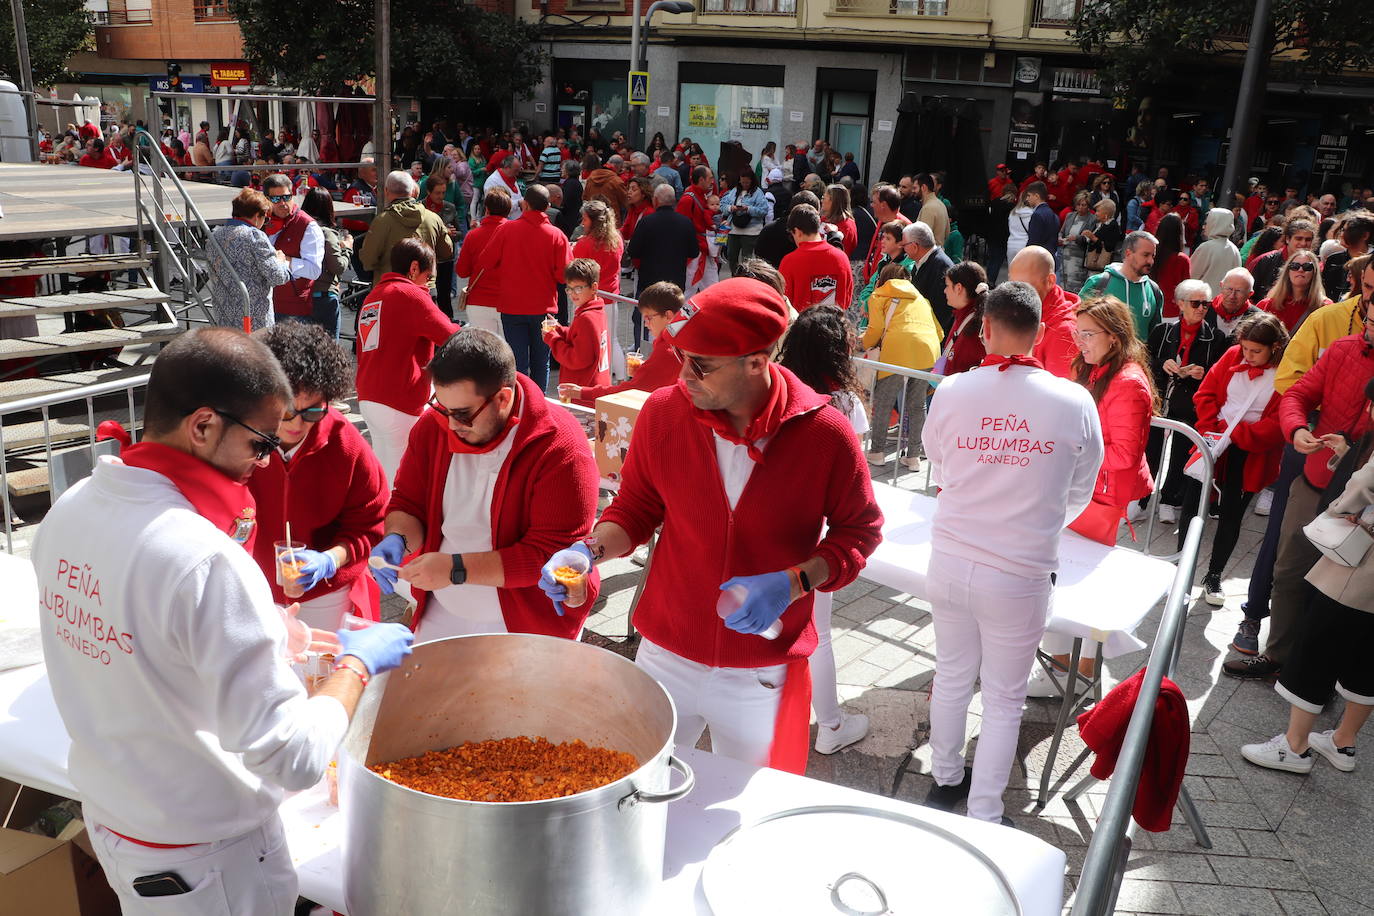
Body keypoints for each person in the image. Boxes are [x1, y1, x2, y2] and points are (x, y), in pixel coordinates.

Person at [35, 328, 413, 915]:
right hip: (207, 858)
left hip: (122, 820)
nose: (263, 462)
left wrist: (263, 625)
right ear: (204, 425)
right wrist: (357, 663)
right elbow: (292, 757)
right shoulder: (206, 558)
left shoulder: (73, 506)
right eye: (260, 444)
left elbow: (145, 645)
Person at [538, 278, 883, 771]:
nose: (683, 375)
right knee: (644, 794)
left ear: (758, 362)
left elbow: (860, 533)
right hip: (664, 654)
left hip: (760, 671)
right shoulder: (663, 413)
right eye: (681, 356)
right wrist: (586, 551)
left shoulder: (826, 433)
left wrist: (794, 582)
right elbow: (635, 509)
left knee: (750, 817)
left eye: (700, 364)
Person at [920, 281, 1104, 824]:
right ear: (1042, 334)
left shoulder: (953, 391)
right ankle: (983, 811)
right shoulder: (1074, 399)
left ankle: (946, 780)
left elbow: (941, 464)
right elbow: (1081, 488)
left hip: (952, 558)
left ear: (984, 330)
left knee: (953, 676)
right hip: (1020, 569)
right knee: (1002, 698)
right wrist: (1035, 517)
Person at [373, 329, 601, 642]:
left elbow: (548, 554)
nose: (451, 425)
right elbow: (408, 501)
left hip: (527, 623)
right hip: (443, 609)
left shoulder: (561, 447)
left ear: (503, 398)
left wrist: (456, 569)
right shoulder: (434, 426)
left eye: (463, 414)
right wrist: (398, 537)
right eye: (442, 408)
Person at [1223, 295, 1374, 681]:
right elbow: (1297, 394)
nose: (1368, 328)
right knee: (1289, 568)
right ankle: (1278, 657)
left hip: (1365, 494)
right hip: (1316, 479)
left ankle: (1317, 677)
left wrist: (1358, 454)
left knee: (1342, 590)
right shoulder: (1342, 349)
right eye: (1368, 319)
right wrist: (1297, 427)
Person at [1239, 395, 1374, 775]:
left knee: (1316, 648)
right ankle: (1343, 742)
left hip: (1361, 566)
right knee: (1367, 657)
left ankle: (1295, 748)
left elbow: (1365, 482)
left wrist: (1337, 509)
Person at [775, 304, 872, 753]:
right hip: (818, 538)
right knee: (818, 632)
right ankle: (830, 726)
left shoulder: (772, 388)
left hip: (773, 524)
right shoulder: (845, 404)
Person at [247, 322, 388, 628]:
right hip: (251, 587)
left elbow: (370, 524)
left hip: (325, 594)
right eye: (285, 412)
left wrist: (329, 561)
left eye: (312, 411)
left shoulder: (345, 443)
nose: (296, 425)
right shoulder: (239, 435)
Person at [1176, 313, 1290, 605]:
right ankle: (1180, 568)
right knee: (1192, 503)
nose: (1248, 356)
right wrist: (1213, 429)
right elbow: (1206, 394)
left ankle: (1214, 575)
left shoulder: (1287, 371)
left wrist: (1241, 434)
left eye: (1256, 351)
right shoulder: (1232, 355)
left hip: (1251, 451)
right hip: (1214, 441)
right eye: (1245, 349)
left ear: (1275, 347)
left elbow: (1280, 421)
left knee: (1231, 514)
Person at [355, 239, 460, 484]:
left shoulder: (374, 296)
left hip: (370, 395)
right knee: (403, 482)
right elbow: (452, 336)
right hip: (399, 399)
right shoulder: (410, 294)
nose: (428, 283)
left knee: (385, 476)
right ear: (414, 268)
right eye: (428, 276)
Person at [1062, 295, 1156, 548]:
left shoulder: (1128, 383)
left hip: (1105, 492)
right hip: (1089, 484)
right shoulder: (1092, 365)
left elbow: (1125, 454)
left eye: (1088, 335)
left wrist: (1072, 456)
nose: (1079, 342)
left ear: (1114, 336)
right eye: (1077, 333)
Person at [1144, 279, 1231, 524]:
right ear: (1181, 304)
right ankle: (1140, 498)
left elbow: (1219, 371)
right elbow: (1145, 361)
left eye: (1206, 303)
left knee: (1182, 452)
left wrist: (1204, 373)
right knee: (1151, 450)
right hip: (1161, 400)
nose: (1202, 308)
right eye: (1196, 303)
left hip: (1190, 406)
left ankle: (1168, 500)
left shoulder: (1216, 337)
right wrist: (1162, 364)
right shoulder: (1162, 331)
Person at [476, 183, 572, 391]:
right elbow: (564, 276)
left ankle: (520, 406)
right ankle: (540, 406)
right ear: (547, 207)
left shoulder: (506, 229)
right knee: (541, 362)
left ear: (525, 204)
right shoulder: (557, 235)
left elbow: (485, 262)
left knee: (517, 364)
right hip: (544, 308)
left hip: (512, 307)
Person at [862, 262, 942, 470]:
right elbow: (939, 332)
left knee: (885, 400)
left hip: (897, 351)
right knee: (918, 404)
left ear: (883, 279)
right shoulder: (922, 300)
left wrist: (862, 343)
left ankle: (877, 452)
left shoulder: (879, 296)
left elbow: (875, 330)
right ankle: (913, 456)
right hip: (928, 350)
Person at [563, 282, 687, 404]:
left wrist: (582, 392)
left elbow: (629, 391)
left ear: (668, 316)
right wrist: (645, 368)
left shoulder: (667, 350)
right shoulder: (678, 338)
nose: (645, 324)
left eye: (649, 318)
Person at [209, 188, 292, 332]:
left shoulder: (215, 235)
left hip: (223, 316)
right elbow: (277, 277)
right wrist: (282, 261)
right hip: (253, 320)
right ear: (256, 216)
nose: (264, 222)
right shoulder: (254, 236)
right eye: (265, 218)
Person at [626, 183, 699, 345]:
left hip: (648, 281)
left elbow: (633, 251)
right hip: (675, 282)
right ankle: (673, 350)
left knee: (643, 318)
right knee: (674, 319)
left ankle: (640, 351)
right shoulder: (685, 222)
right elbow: (694, 252)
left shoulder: (647, 222)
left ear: (656, 200)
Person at [359, 170, 454, 283]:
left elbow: (368, 260)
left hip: (391, 288)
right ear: (413, 191)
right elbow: (447, 251)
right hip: (424, 288)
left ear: (386, 191)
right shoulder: (433, 219)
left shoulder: (382, 221)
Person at [258, 174, 325, 328]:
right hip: (264, 303)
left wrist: (285, 260)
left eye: (287, 197)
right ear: (266, 199)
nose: (283, 203)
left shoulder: (307, 225)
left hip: (293, 309)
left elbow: (314, 270)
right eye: (276, 199)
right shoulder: (262, 220)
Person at [548, 259, 611, 407]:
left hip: (581, 392)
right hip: (593, 386)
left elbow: (577, 359)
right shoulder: (596, 311)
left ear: (594, 287)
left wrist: (554, 340)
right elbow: (582, 338)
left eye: (578, 288)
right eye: (569, 288)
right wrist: (560, 330)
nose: (572, 294)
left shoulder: (586, 317)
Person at [1008, 246, 1079, 379]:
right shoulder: (1022, 310)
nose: (1016, 294)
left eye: (1023, 286)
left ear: (1050, 281)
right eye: (1012, 285)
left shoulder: (1064, 332)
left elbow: (1060, 395)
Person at [1080, 230, 1163, 342]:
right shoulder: (1099, 283)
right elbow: (1077, 323)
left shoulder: (1154, 291)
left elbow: (1155, 336)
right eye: (1145, 255)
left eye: (1153, 256)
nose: (1150, 261)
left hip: (1139, 358)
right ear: (1128, 253)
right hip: (1100, 359)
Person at [455, 188, 513, 338]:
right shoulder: (515, 235)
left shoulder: (473, 235)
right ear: (509, 210)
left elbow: (462, 271)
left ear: (486, 209)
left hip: (478, 302)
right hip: (508, 302)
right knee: (508, 353)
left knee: (483, 352)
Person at [297, 188, 351, 340]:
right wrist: (347, 248)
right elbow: (338, 266)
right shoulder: (326, 233)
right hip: (324, 297)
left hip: (300, 296)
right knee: (329, 351)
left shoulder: (298, 229)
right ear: (329, 208)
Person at [779, 204, 854, 311]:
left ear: (798, 232)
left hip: (801, 325)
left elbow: (784, 302)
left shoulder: (789, 261)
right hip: (835, 324)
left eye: (793, 235)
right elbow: (847, 298)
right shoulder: (841, 257)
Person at [1257, 249, 1329, 332]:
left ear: (1314, 272)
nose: (1300, 270)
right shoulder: (1266, 305)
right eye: (1295, 266)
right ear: (1288, 272)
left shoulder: (1325, 308)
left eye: (1307, 267)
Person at [420, 174, 461, 319]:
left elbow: (460, 233)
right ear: (429, 192)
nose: (441, 196)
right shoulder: (420, 208)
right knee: (428, 296)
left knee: (444, 296)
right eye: (438, 193)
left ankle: (448, 325)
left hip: (445, 259)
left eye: (443, 192)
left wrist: (453, 234)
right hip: (426, 258)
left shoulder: (450, 207)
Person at [938, 261, 989, 377]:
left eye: (947, 285)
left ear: (958, 288)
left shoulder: (976, 324)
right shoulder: (966, 315)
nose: (945, 291)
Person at [677, 165, 720, 295]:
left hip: (704, 250)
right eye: (710, 178)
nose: (712, 181)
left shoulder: (702, 196)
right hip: (696, 252)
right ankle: (684, 315)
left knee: (712, 288)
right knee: (690, 289)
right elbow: (682, 228)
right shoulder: (689, 199)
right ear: (701, 180)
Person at [1252, 219, 1317, 301]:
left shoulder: (1316, 265)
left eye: (1308, 240)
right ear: (1287, 239)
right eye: (1298, 239)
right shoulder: (1265, 261)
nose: (1303, 243)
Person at [572, 199, 624, 300]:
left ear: (594, 222)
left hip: (589, 299)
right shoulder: (617, 239)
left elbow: (574, 270)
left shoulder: (584, 244)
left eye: (585, 219)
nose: (582, 223)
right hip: (611, 295)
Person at [719, 169, 770, 273]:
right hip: (733, 229)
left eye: (747, 182)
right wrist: (730, 208)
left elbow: (764, 210)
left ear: (752, 181)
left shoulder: (758, 193)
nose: (744, 184)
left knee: (747, 260)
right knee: (731, 256)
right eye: (742, 182)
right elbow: (722, 205)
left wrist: (748, 209)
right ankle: (735, 276)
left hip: (751, 231)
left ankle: (745, 279)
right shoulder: (734, 191)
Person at [862, 185, 910, 284]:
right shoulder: (882, 220)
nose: (871, 205)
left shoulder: (906, 228)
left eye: (874, 202)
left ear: (883, 204)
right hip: (873, 281)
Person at [1321, 214, 1372, 301]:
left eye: (1347, 231)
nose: (1341, 234)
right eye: (1342, 230)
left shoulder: (1372, 261)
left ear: (1365, 236)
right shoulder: (1334, 259)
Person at [1191, 208, 1242, 294]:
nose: (1204, 227)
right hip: (1223, 302)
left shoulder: (1206, 247)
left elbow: (1191, 276)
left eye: (1207, 223)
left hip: (1203, 301)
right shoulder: (1234, 250)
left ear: (1214, 224)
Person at [1059, 191, 1097, 293]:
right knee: (1063, 282)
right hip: (1065, 253)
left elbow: (1089, 239)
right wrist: (1060, 238)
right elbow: (1062, 232)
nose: (1080, 207)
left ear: (1088, 206)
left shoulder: (1092, 219)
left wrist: (1076, 238)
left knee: (1075, 284)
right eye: (1078, 204)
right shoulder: (1070, 216)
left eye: (1083, 205)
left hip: (1079, 255)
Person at [1023, 182, 1060, 254]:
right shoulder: (1053, 214)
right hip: (1050, 256)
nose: (1027, 199)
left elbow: (1033, 242)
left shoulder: (1037, 215)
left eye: (1029, 195)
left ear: (1036, 196)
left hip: (1038, 257)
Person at [822, 183, 858, 258]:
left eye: (824, 198)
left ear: (833, 201)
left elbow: (844, 252)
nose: (821, 201)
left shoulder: (846, 225)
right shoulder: (824, 219)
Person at [914, 173, 950, 246]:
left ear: (923, 187)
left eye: (915, 188)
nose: (913, 191)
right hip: (939, 252)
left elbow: (923, 239)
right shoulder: (941, 204)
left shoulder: (928, 208)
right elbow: (947, 233)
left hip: (929, 255)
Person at [1006, 189, 1036, 268]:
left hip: (1011, 244)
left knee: (1012, 273)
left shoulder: (1012, 213)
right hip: (1024, 245)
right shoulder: (1032, 214)